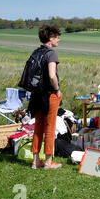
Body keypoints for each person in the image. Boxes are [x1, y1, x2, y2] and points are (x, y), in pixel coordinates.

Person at [28, 24, 63, 170]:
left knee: (38, 127)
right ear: (50, 38)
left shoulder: (37, 52)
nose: (59, 40)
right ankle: (48, 162)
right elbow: (51, 75)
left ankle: (35, 161)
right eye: (57, 37)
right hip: (49, 95)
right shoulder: (51, 53)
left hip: (36, 95)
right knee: (50, 127)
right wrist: (57, 89)